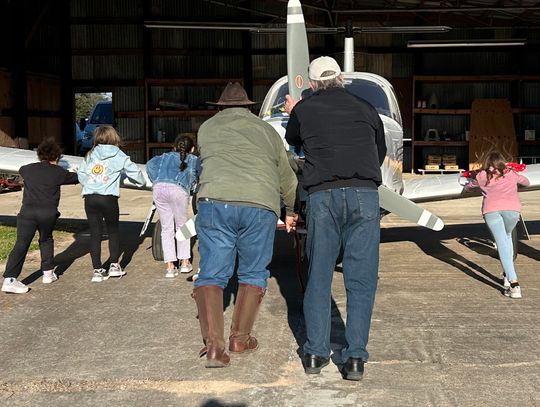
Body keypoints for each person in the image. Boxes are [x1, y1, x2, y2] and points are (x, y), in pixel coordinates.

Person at [284, 56, 387, 381]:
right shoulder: (366, 108)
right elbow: (379, 150)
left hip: (323, 197)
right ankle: (355, 358)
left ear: (313, 84)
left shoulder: (304, 109)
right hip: (365, 195)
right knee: (361, 280)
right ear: (341, 77)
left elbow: (293, 142)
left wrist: (294, 112)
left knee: (319, 275)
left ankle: (315, 353)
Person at [193, 82, 298, 368]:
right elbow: (287, 178)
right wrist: (290, 210)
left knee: (212, 273)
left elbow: (203, 164)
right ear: (249, 107)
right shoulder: (267, 131)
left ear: (221, 107)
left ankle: (214, 347)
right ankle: (240, 339)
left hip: (215, 202)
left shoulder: (207, 128)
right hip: (259, 205)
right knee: (252, 270)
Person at [2, 138, 79, 294]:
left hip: (27, 213)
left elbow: (22, 169)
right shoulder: (60, 173)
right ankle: (48, 273)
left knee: (21, 244)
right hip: (47, 214)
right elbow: (77, 177)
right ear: (57, 157)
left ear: (39, 155)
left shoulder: (27, 169)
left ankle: (10, 279)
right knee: (46, 239)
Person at [77, 126, 146, 282]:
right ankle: (114, 265)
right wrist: (139, 182)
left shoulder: (91, 154)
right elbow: (136, 175)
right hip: (108, 198)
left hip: (90, 197)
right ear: (114, 138)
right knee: (113, 231)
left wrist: (91, 184)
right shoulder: (119, 155)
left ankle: (97, 270)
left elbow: (81, 174)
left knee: (95, 233)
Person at [464, 150, 530, 299]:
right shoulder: (510, 173)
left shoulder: (482, 176)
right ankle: (507, 276)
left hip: (491, 212)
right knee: (506, 239)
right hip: (512, 211)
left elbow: (469, 186)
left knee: (502, 244)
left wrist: (468, 186)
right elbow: (526, 182)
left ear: (486, 163)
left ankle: (514, 285)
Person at [146, 135, 201, 277]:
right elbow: (200, 174)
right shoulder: (194, 160)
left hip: (159, 189)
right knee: (182, 227)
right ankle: (184, 263)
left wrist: (157, 179)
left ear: (174, 146)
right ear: (193, 148)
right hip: (178, 190)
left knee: (166, 229)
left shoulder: (163, 157)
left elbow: (150, 165)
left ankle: (170, 267)